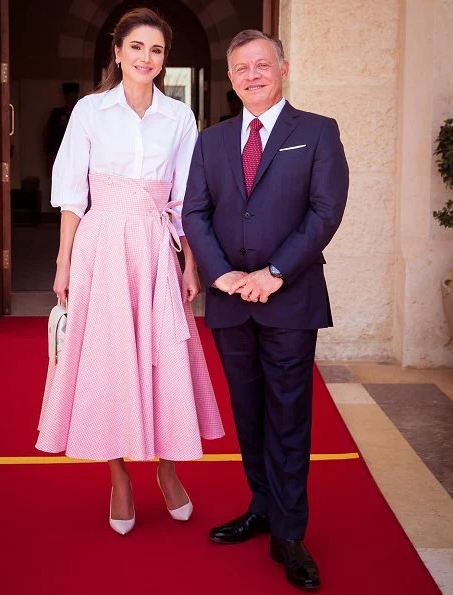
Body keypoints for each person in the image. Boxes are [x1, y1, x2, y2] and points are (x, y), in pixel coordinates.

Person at [36, 8, 224, 536]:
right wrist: (62, 262)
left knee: (165, 357)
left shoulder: (180, 118)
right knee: (107, 361)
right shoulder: (90, 112)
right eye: (137, 47)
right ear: (117, 53)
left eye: (157, 50)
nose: (146, 58)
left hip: (154, 245)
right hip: (101, 246)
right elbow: (73, 194)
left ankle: (167, 469)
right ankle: (118, 476)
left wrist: (191, 262)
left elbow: (189, 199)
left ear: (165, 60)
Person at [182, 30, 348, 591]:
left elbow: (325, 213)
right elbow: (194, 213)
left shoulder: (318, 133)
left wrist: (273, 274)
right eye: (241, 68)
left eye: (262, 65)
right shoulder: (212, 140)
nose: (252, 75)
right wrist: (223, 275)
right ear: (230, 78)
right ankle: (261, 506)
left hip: (290, 298)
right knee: (248, 415)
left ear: (283, 68)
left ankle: (291, 533)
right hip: (231, 301)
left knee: (288, 417)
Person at [43, 82, 80, 176]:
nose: (72, 98)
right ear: (65, 96)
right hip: (57, 153)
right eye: (69, 95)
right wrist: (49, 155)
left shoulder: (81, 113)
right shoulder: (57, 113)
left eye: (74, 95)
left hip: (76, 154)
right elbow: (47, 134)